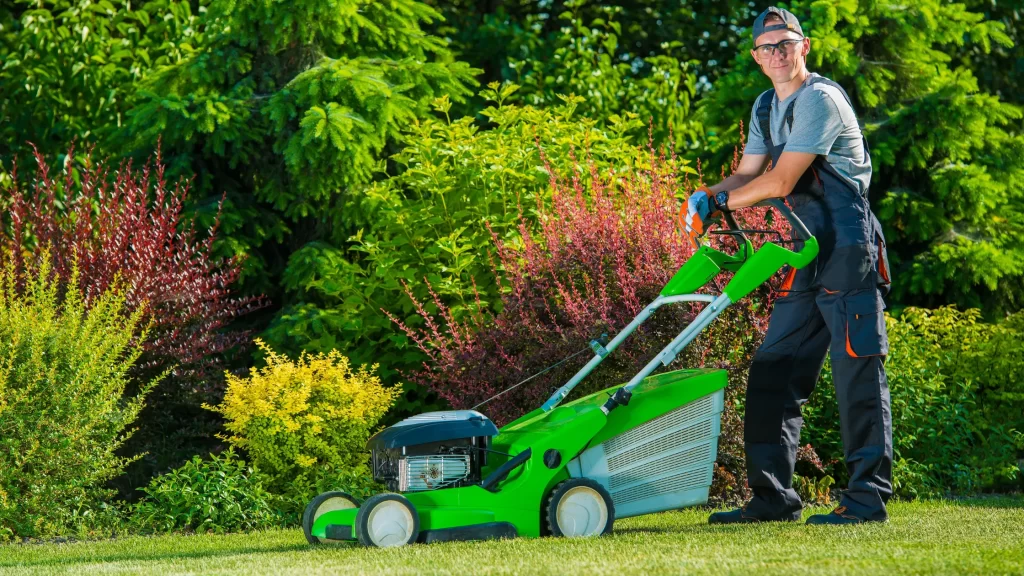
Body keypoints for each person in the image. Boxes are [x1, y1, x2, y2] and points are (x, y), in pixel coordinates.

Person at [681, 6, 893, 525]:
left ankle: (866, 501)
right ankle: (772, 497)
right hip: (807, 251)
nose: (776, 53)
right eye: (767, 47)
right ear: (756, 58)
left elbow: (778, 183)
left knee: (856, 371)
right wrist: (706, 195)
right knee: (775, 366)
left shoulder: (820, 99)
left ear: (805, 48)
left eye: (785, 43)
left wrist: (725, 205)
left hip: (849, 250)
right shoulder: (764, 107)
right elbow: (748, 173)